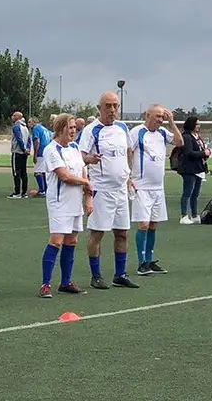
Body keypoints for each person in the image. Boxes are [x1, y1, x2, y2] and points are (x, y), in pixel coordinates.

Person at [79, 92, 139, 290]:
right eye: (108, 106)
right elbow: (80, 156)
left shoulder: (122, 127)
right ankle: (96, 275)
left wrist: (128, 174)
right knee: (97, 233)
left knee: (122, 233)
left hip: (121, 189)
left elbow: (129, 151)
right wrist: (89, 159)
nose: (112, 110)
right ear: (99, 108)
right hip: (101, 190)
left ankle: (120, 274)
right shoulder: (91, 130)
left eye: (115, 105)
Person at [39, 113, 93, 297]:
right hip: (59, 203)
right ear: (60, 128)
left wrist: (88, 198)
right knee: (56, 240)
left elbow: (83, 172)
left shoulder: (75, 147)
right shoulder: (51, 150)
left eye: (75, 128)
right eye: (70, 127)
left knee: (72, 240)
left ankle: (66, 282)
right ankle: (45, 284)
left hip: (75, 202)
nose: (73, 131)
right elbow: (65, 176)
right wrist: (86, 184)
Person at [129, 104, 183, 275]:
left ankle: (150, 260)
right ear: (147, 115)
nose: (160, 119)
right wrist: (128, 175)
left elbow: (179, 142)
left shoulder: (162, 133)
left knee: (153, 224)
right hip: (141, 187)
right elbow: (128, 151)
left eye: (162, 117)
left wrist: (171, 122)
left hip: (158, 188)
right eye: (157, 116)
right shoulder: (137, 132)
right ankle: (141, 263)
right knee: (143, 224)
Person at [177, 115, 210, 224]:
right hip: (189, 169)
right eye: (197, 124)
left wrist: (206, 153)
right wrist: (203, 153)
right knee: (187, 192)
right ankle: (184, 215)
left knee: (195, 193)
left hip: (199, 168)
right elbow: (188, 153)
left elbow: (200, 149)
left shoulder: (196, 136)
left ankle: (195, 215)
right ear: (191, 124)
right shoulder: (186, 137)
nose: (198, 126)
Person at [9, 111, 32, 198]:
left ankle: (17, 192)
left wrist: (23, 149)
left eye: (13, 115)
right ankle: (24, 193)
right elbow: (29, 139)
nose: (12, 117)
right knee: (24, 173)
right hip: (24, 153)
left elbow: (19, 138)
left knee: (16, 172)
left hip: (17, 152)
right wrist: (28, 149)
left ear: (17, 117)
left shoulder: (16, 126)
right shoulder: (25, 126)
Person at [30, 116, 53, 197]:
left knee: (37, 171)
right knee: (43, 171)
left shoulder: (36, 128)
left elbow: (37, 141)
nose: (29, 124)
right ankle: (46, 189)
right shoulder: (44, 129)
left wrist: (35, 154)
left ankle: (41, 190)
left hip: (40, 151)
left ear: (34, 122)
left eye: (30, 122)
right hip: (46, 151)